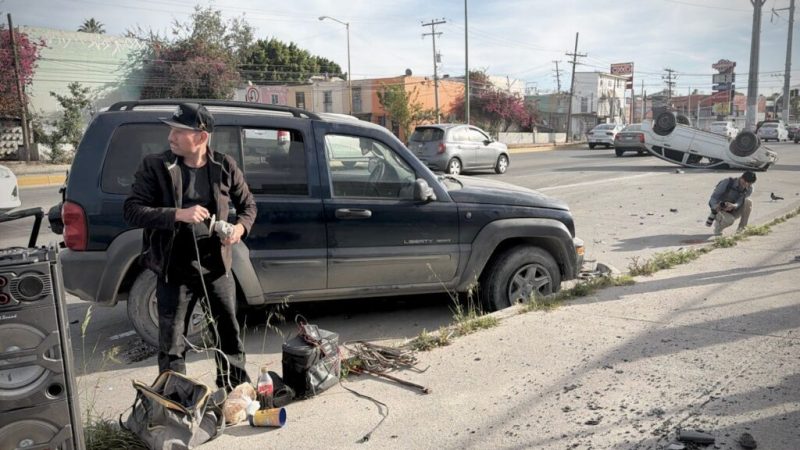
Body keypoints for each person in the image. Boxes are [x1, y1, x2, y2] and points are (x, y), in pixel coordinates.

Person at [124, 103, 257, 391]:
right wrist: (177, 214)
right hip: (174, 268)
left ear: (201, 136)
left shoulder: (224, 165)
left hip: (216, 267)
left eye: (179, 131)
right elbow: (132, 211)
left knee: (228, 333)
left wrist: (238, 229)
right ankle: (175, 400)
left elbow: (248, 206)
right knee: (172, 343)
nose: (171, 136)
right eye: (171, 129)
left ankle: (234, 392)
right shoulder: (155, 166)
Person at [706, 170, 756, 236]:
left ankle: (741, 229)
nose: (746, 185)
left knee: (748, 202)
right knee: (730, 220)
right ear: (741, 177)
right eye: (744, 182)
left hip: (734, 209)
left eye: (749, 183)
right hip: (720, 209)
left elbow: (740, 201)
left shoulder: (749, 188)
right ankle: (718, 226)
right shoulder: (727, 182)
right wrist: (715, 206)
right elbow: (713, 198)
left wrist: (734, 205)